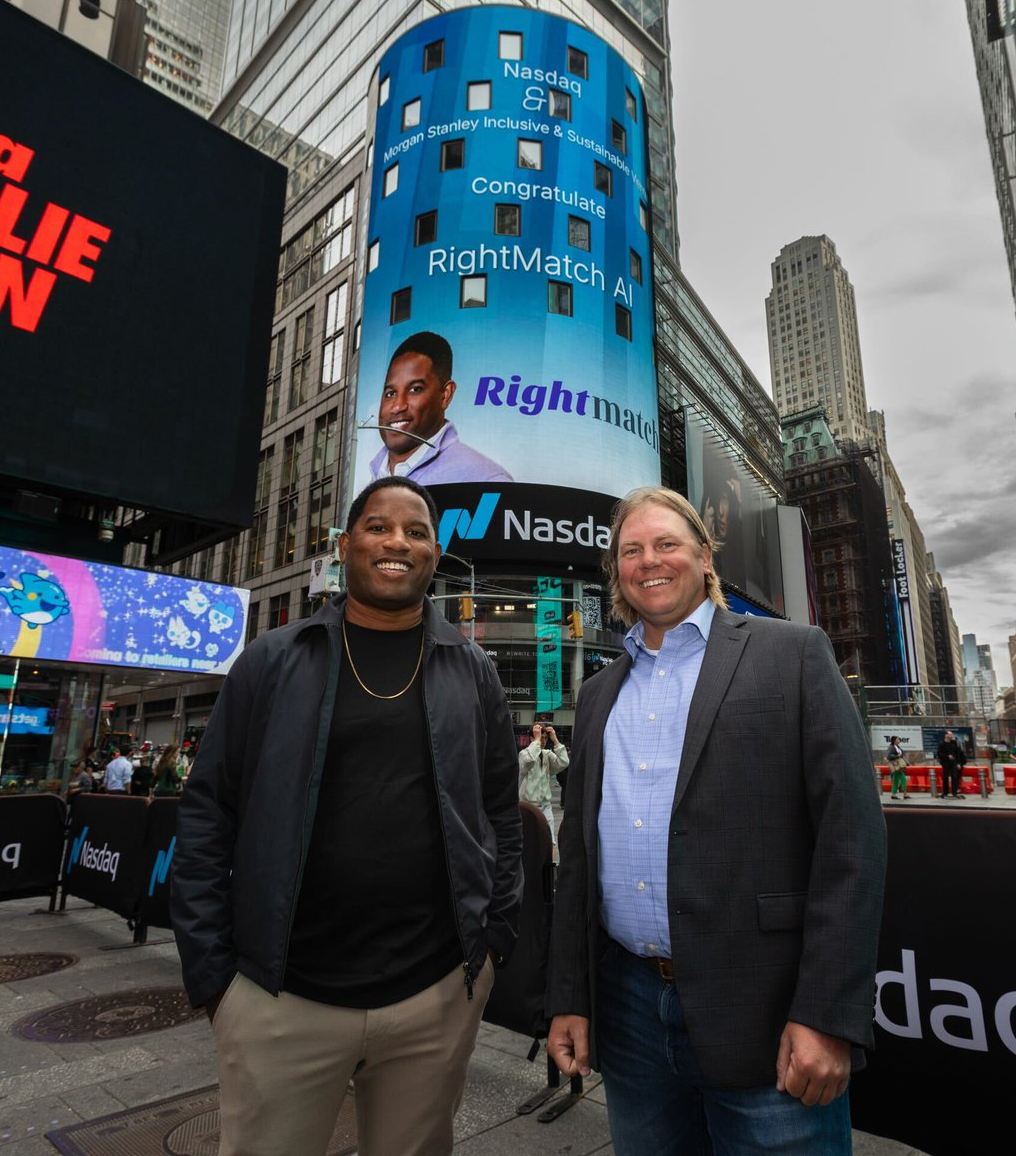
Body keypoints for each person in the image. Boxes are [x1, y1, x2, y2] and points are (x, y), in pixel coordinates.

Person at [170, 476, 523, 1156]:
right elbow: (207, 814)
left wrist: (492, 942)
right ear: (346, 544)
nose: (398, 542)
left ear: (435, 551)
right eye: (379, 527)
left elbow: (501, 814)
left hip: (436, 997)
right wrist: (216, 979)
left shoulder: (472, 669)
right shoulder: (272, 661)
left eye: (416, 531)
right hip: (281, 1000)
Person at [545, 487, 886, 1156]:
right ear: (616, 571)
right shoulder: (596, 696)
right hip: (628, 1012)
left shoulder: (793, 654)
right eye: (631, 550)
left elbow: (853, 840)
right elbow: (578, 857)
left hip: (767, 1015)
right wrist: (569, 996)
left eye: (667, 543)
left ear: (705, 557)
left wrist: (826, 1014)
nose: (649, 561)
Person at [368, 332, 513, 485]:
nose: (397, 406)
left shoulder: (486, 481)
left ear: (445, 395)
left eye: (415, 389)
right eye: (390, 393)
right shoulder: (374, 476)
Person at [518, 723, 569, 851]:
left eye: (545, 738)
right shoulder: (524, 754)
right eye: (541, 737)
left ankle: (549, 868)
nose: (543, 741)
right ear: (532, 738)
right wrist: (536, 740)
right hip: (527, 806)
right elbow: (528, 761)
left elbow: (563, 762)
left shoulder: (547, 754)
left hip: (545, 805)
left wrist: (555, 740)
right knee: (528, 842)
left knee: (550, 840)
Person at [936, 730, 966, 799]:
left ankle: (954, 792)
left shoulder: (954, 743)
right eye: (950, 734)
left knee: (954, 777)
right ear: (946, 735)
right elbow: (939, 754)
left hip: (953, 763)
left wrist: (958, 763)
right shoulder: (941, 744)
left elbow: (958, 753)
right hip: (945, 763)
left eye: (951, 734)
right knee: (945, 777)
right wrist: (947, 756)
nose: (951, 736)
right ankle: (945, 792)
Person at [887, 735, 909, 800]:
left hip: (899, 766)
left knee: (896, 780)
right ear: (894, 741)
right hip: (895, 765)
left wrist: (906, 762)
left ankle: (894, 794)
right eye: (897, 739)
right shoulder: (891, 747)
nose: (899, 740)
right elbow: (889, 756)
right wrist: (897, 756)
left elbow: (902, 755)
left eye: (899, 739)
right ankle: (905, 794)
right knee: (903, 779)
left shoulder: (898, 747)